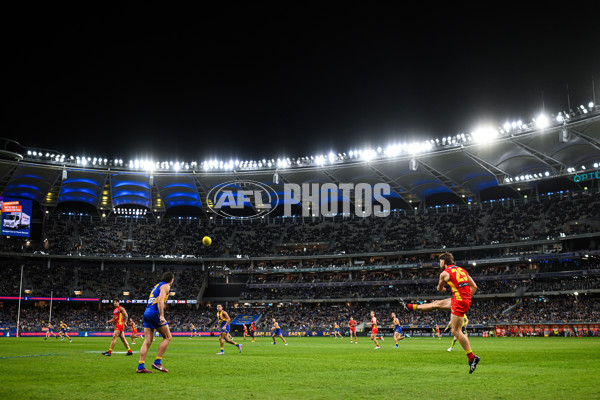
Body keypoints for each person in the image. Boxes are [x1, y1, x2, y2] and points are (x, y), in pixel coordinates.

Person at [405, 252, 480, 373]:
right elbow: (474, 286)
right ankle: (410, 307)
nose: (439, 264)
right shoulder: (462, 270)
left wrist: (443, 288)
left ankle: (472, 358)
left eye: (440, 261)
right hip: (462, 299)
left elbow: (439, 288)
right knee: (436, 304)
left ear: (444, 262)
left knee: (456, 331)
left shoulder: (444, 273)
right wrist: (466, 298)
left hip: (459, 301)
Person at [136, 272, 175, 373]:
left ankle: (141, 366)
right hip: (154, 314)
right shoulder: (166, 286)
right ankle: (157, 362)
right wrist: (162, 316)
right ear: (171, 280)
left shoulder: (157, 285)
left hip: (147, 312)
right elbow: (160, 301)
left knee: (148, 341)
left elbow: (155, 299)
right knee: (168, 337)